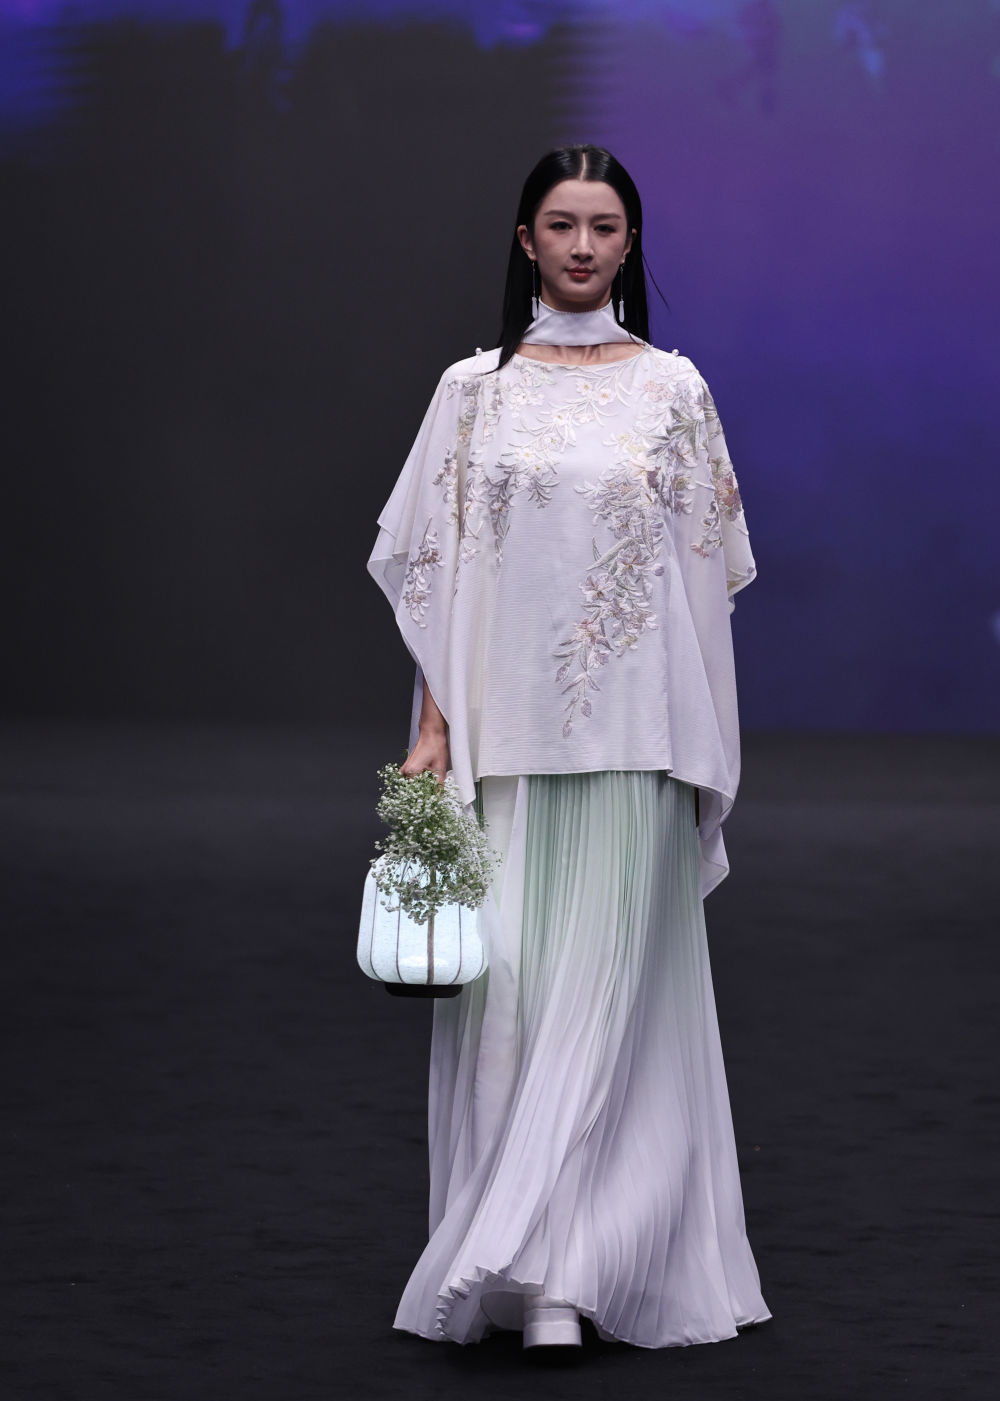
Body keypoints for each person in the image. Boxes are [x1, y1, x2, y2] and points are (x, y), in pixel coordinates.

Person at [366, 144, 771, 1353]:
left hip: (635, 734)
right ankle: (522, 1266)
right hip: (507, 734)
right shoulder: (472, 393)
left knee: (611, 1003)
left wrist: (696, 742)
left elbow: (706, 583)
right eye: (560, 223)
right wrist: (433, 726)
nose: (582, 245)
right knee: (515, 1001)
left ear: (630, 243)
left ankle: (566, 1275)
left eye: (603, 225)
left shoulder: (674, 391)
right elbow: (434, 576)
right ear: (526, 241)